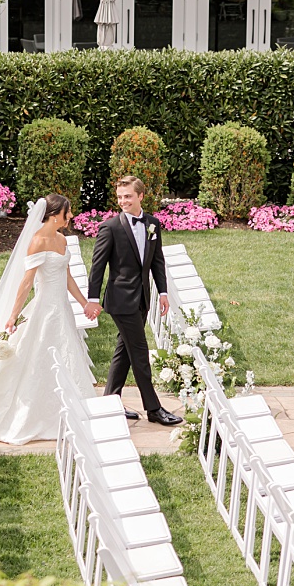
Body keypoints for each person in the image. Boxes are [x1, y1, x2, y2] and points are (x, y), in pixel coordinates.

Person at [0, 193, 97, 445]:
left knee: (67, 354)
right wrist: (13, 315)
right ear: (55, 214)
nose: (70, 216)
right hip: (44, 311)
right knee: (37, 358)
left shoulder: (61, 239)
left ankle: (71, 410)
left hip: (62, 309)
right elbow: (26, 282)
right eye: (67, 211)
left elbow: (67, 277)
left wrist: (84, 304)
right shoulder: (37, 241)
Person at [84, 176, 184, 426]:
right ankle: (154, 409)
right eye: (120, 197)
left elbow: (157, 261)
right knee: (139, 354)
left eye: (127, 196)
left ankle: (110, 402)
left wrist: (163, 292)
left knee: (124, 352)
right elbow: (98, 266)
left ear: (140, 196)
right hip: (120, 300)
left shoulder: (153, 224)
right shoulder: (110, 227)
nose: (123, 201)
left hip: (142, 299)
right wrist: (93, 299)